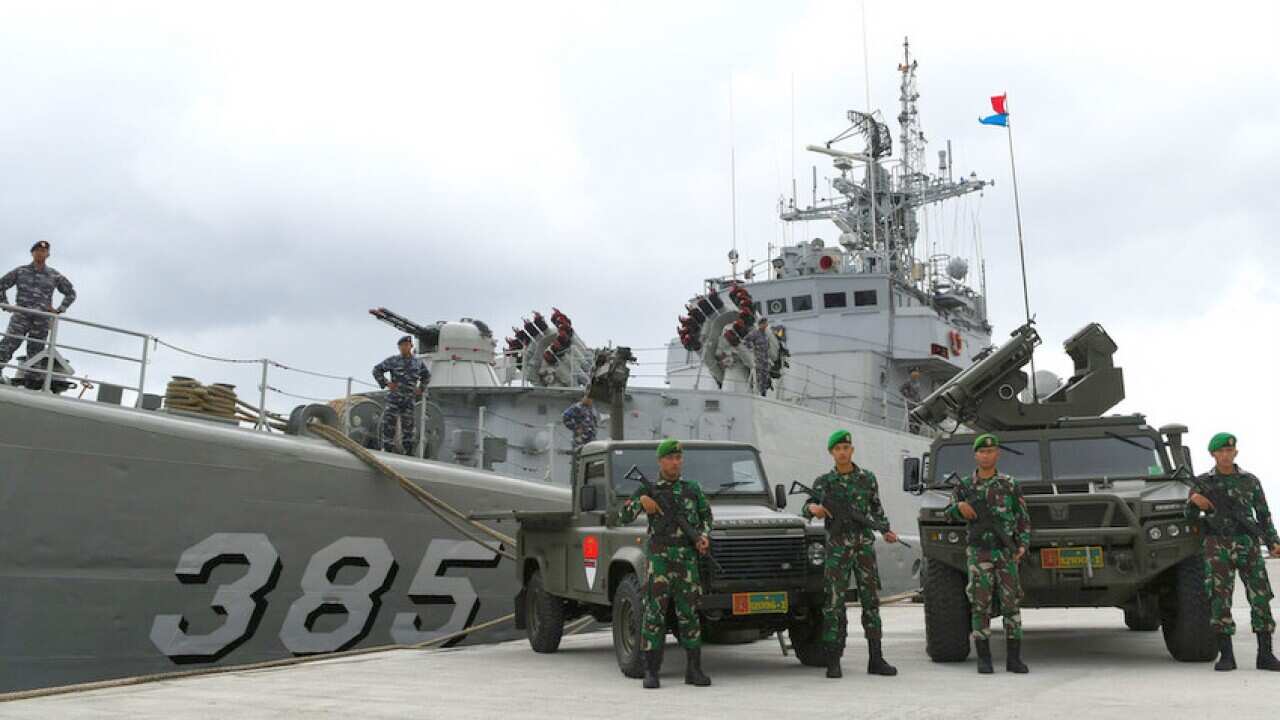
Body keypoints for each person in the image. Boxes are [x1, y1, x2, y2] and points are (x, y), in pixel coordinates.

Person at [610, 439, 713, 689]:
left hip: (687, 559)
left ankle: (694, 670)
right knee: (654, 614)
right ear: (660, 461)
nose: (675, 463)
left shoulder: (693, 489)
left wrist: (703, 536)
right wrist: (640, 503)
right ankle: (652, 671)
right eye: (670, 458)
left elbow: (706, 516)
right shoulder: (649, 489)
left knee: (689, 613)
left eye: (678, 458)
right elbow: (621, 516)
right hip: (660, 559)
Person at [802, 429, 900, 679]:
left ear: (852, 450)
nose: (842, 452)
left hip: (864, 548)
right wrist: (815, 509)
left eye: (846, 448)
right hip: (836, 549)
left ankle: (876, 659)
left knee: (871, 602)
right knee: (834, 604)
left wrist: (886, 530)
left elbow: (877, 509)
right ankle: (833, 660)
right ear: (831, 453)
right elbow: (807, 507)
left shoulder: (867, 479)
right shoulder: (824, 482)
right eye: (838, 449)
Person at [1186, 432, 1280, 672]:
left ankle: (1265, 654)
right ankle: (1226, 656)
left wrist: (1273, 542)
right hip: (1218, 547)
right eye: (1221, 452)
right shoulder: (1202, 483)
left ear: (1235, 452)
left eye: (1230, 451)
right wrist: (1195, 503)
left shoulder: (1250, 481)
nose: (1226, 455)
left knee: (1260, 597)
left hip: (1248, 544)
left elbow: (1263, 515)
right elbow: (1190, 519)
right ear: (1213, 455)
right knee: (1219, 598)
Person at [944, 433, 1032, 674]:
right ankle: (984, 659)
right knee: (979, 605)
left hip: (1006, 552)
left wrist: (1022, 545)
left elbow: (1023, 518)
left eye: (990, 452)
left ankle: (1014, 659)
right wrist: (958, 507)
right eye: (982, 452)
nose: (986, 455)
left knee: (1011, 605)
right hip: (979, 553)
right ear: (975, 455)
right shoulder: (964, 486)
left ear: (997, 454)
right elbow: (947, 514)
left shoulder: (1009, 484)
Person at [0, 241, 76, 374]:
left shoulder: (54, 275)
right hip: (21, 317)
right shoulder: (20, 271)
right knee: (6, 347)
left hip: (41, 320)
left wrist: (59, 310)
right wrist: (5, 304)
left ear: (48, 254)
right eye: (37, 251)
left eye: (43, 251)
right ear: (32, 253)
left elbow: (71, 293)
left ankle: (31, 383)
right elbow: (1, 285)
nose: (40, 253)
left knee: (36, 353)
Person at [372, 336, 431, 455]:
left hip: (409, 400)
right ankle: (387, 448)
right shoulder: (393, 361)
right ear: (399, 347)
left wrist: (421, 388)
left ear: (411, 346)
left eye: (407, 345)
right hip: (394, 398)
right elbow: (377, 370)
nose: (404, 347)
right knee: (388, 423)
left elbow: (426, 376)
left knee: (408, 426)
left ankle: (408, 450)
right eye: (402, 345)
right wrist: (386, 383)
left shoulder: (418, 363)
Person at [743, 317, 771, 397]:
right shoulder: (755, 333)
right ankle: (756, 393)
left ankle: (763, 394)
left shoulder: (765, 334)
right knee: (758, 377)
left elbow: (767, 346)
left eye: (766, 323)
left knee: (764, 377)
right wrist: (752, 347)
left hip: (765, 359)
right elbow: (745, 340)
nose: (766, 325)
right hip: (758, 358)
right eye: (765, 323)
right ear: (761, 324)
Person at [899, 368, 923, 433]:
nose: (916, 373)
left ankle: (916, 429)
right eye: (915, 372)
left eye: (917, 372)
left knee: (918, 415)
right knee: (911, 415)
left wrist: (921, 400)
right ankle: (911, 428)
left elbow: (918, 392)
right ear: (911, 373)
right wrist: (906, 395)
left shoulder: (918, 382)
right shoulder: (908, 382)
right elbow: (901, 389)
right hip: (911, 401)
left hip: (917, 401)